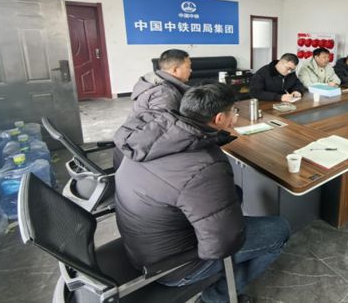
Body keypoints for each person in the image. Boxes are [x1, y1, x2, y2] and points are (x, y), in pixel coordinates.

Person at [114, 83, 290, 303]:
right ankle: (215, 297)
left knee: (234, 193)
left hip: (140, 239)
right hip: (173, 265)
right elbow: (222, 245)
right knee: (279, 229)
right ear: (219, 118)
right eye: (234, 112)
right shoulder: (206, 164)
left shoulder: (147, 136)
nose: (235, 117)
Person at [114, 49, 192, 169]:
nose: (191, 70)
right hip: (134, 160)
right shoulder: (164, 94)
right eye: (188, 67)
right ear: (175, 70)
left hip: (127, 148)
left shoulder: (152, 82)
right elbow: (159, 135)